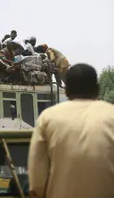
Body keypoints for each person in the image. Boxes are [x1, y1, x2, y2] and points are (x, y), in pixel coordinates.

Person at [28, 63, 114, 198]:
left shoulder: (47, 117)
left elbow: (36, 181)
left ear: (67, 90)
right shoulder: (111, 114)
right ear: (97, 89)